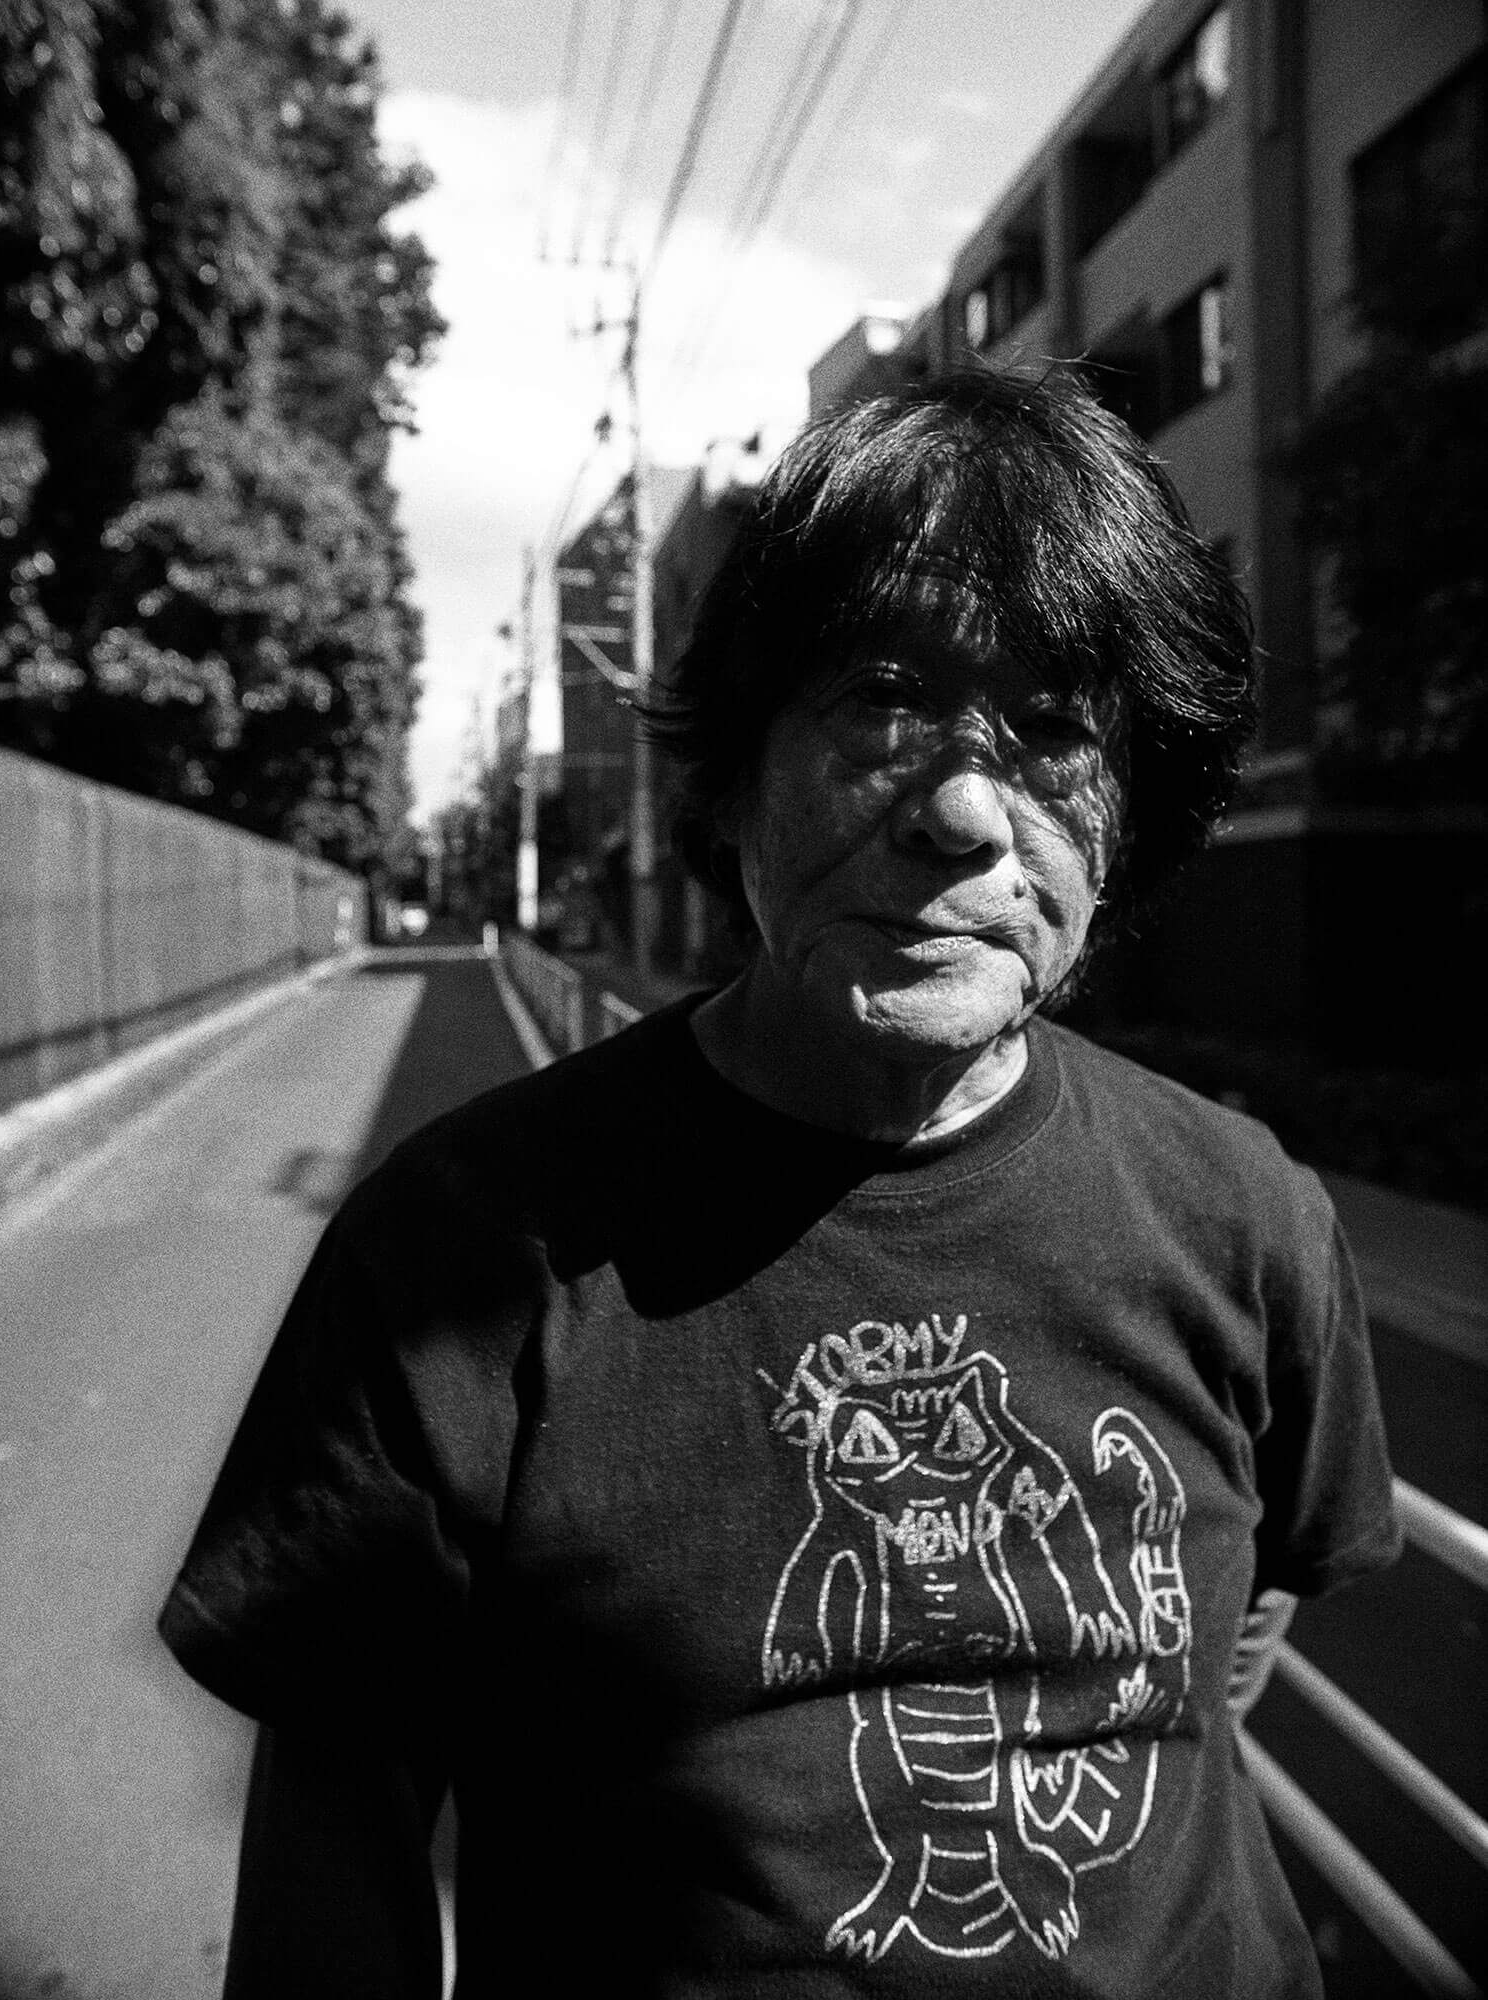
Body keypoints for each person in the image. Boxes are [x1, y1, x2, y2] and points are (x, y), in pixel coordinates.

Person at [161, 364, 1401, 1998]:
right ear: (737, 771)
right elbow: (339, 1853)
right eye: (883, 698)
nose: (965, 810)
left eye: (1053, 729)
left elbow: (1244, 1611)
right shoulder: (458, 1256)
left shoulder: (1246, 1215)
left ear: (1129, 816)